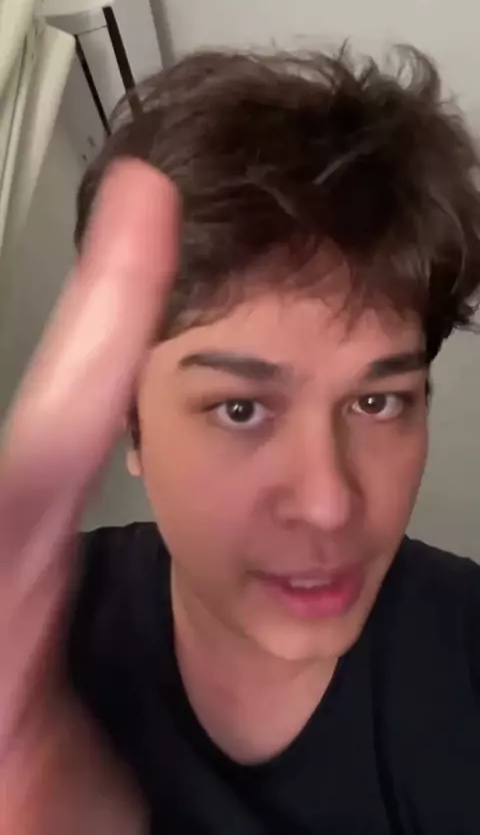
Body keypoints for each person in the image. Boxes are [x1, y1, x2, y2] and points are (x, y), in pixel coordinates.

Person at [2, 45, 480, 834]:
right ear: (131, 421)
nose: (327, 504)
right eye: (240, 410)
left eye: (377, 401)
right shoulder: (30, 651)